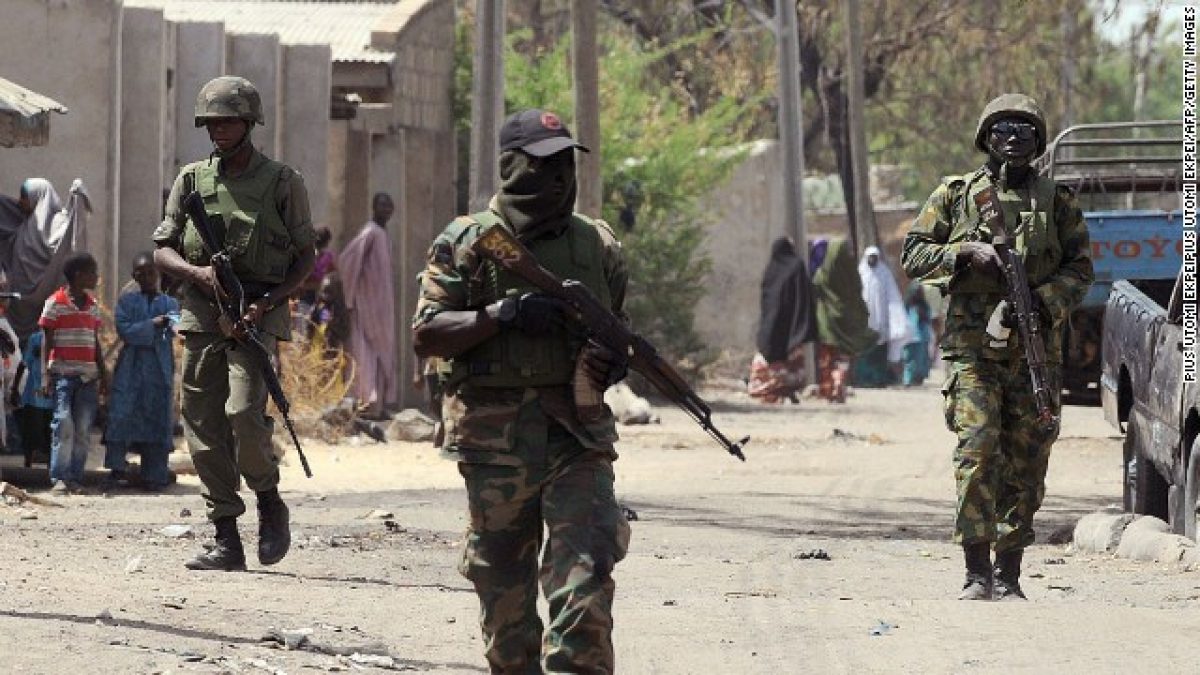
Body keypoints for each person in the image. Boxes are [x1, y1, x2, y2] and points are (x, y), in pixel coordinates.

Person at [412, 108, 631, 673]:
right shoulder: (468, 241)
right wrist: (503, 315)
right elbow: (427, 334)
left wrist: (610, 364)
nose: (557, 178)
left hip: (577, 437)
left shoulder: (597, 244)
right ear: (511, 166)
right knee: (504, 597)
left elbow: (616, 333)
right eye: (542, 165)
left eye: (565, 164)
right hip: (495, 443)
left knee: (585, 575)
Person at [901, 93, 1093, 600]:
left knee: (1027, 461)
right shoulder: (955, 195)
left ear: (1038, 140)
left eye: (1024, 130)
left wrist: (1041, 302)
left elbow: (1080, 270)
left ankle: (1009, 573)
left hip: (1035, 355)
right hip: (973, 353)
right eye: (1003, 129)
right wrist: (965, 253)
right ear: (986, 137)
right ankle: (976, 571)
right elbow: (914, 254)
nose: (1013, 138)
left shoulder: (1057, 201)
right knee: (978, 451)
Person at [153, 76, 316, 571]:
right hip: (204, 312)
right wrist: (197, 273)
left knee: (244, 414)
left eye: (227, 122)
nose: (218, 130)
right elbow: (162, 249)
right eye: (211, 123)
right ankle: (226, 536)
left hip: (257, 312)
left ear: (249, 123)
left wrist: (266, 303)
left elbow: (305, 258)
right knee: (202, 425)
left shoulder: (282, 181)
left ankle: (268, 500)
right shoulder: (191, 181)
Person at [102, 252, 180, 491]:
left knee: (157, 415)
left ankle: (154, 474)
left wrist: (156, 327)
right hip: (130, 367)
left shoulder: (170, 304)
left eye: (150, 273)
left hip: (159, 367)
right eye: (141, 274)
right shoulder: (126, 302)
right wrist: (153, 324)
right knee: (121, 414)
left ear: (158, 274)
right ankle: (117, 470)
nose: (146, 277)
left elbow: (176, 328)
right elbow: (125, 331)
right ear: (134, 276)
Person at [39, 252, 107, 494]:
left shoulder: (93, 306)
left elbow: (94, 342)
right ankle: (59, 477)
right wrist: (46, 375)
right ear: (79, 275)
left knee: (83, 430)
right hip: (63, 376)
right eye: (92, 273)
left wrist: (103, 373)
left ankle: (75, 478)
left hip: (88, 378)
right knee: (63, 425)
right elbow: (47, 341)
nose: (96, 277)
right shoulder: (55, 303)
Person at [340, 193, 398, 419]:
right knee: (366, 352)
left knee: (383, 353)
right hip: (367, 304)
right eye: (382, 205)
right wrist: (352, 296)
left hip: (382, 307)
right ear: (374, 207)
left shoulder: (383, 234)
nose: (386, 209)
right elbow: (347, 260)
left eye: (389, 206)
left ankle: (379, 405)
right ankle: (366, 403)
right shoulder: (370, 232)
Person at [808, 238, 877, 403]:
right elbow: (858, 295)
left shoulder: (822, 275)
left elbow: (814, 288)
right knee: (842, 357)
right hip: (847, 322)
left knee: (827, 357)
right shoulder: (852, 275)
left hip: (827, 323)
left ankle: (828, 389)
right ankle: (839, 388)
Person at [747, 236, 815, 404]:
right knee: (789, 359)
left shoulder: (771, 269)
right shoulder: (797, 266)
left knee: (769, 352)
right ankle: (782, 389)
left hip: (771, 322)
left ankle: (773, 389)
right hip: (792, 323)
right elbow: (804, 295)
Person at [854, 245, 909, 387]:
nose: (872, 260)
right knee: (864, 350)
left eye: (875, 257)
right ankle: (863, 380)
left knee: (879, 350)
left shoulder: (885, 274)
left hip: (881, 320)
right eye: (870, 257)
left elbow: (893, 297)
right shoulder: (860, 273)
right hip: (865, 320)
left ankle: (878, 379)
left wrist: (896, 318)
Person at [11, 330, 54, 467]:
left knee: (50, 432)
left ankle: (50, 464)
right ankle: (28, 462)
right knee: (32, 430)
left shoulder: (62, 339)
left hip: (52, 395)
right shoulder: (35, 339)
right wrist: (14, 389)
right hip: (35, 394)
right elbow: (23, 363)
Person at [902, 280, 933, 386]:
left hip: (921, 337)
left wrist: (922, 314)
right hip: (908, 337)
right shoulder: (906, 306)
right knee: (908, 358)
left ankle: (918, 378)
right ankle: (907, 380)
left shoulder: (924, 305)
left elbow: (929, 319)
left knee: (919, 360)